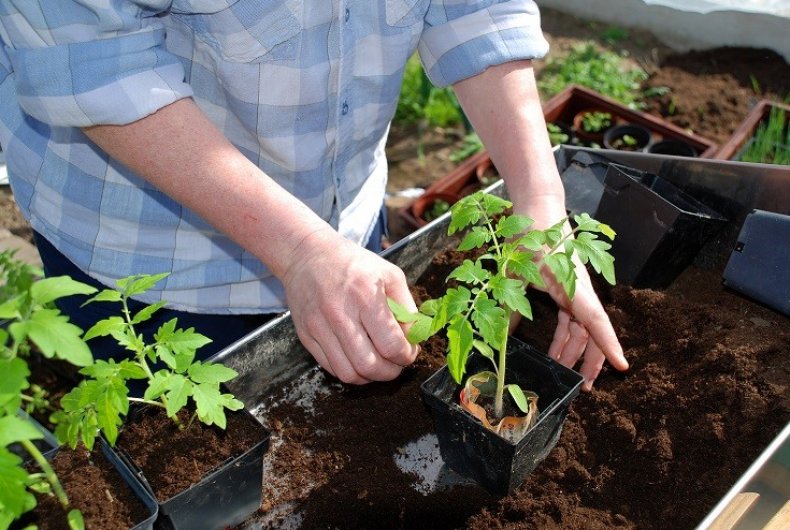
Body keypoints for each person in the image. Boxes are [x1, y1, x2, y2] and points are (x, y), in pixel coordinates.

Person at [0, 1, 627, 391]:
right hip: (151, 261)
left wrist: (538, 206)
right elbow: (96, 61)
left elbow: (476, 7)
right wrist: (300, 252)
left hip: (344, 227)